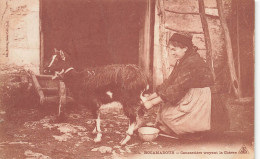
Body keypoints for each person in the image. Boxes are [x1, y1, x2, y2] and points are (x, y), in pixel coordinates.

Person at [142, 32, 227, 138]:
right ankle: (182, 129)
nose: (172, 53)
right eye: (170, 49)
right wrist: (148, 99)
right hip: (192, 96)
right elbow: (169, 82)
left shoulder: (192, 62)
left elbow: (177, 88)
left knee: (167, 115)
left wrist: (151, 104)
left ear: (185, 48)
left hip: (205, 100)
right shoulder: (183, 60)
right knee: (165, 110)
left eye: (174, 49)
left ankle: (195, 131)